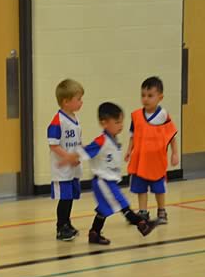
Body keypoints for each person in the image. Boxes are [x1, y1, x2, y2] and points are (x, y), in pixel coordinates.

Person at [61, 102, 157, 244]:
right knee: (122, 203)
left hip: (109, 181)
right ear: (104, 123)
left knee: (104, 210)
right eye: (117, 122)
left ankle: (94, 234)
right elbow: (85, 151)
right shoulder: (102, 140)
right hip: (102, 181)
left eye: (121, 122)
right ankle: (142, 224)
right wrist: (70, 158)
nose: (121, 125)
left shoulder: (113, 140)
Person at [125, 76, 179, 224]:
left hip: (157, 161)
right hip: (140, 160)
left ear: (160, 97)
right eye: (143, 95)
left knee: (159, 189)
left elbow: (172, 136)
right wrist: (129, 150)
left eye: (150, 96)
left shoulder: (163, 116)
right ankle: (143, 212)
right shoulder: (136, 116)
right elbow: (133, 136)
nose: (146, 99)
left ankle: (162, 211)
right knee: (141, 188)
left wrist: (175, 153)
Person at [48, 79, 84, 241]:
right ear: (66, 102)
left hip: (73, 167)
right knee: (65, 198)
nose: (81, 102)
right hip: (62, 169)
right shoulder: (58, 121)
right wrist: (68, 157)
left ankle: (67, 223)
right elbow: (53, 145)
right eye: (78, 99)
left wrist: (79, 154)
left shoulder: (75, 119)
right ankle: (60, 227)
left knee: (70, 197)